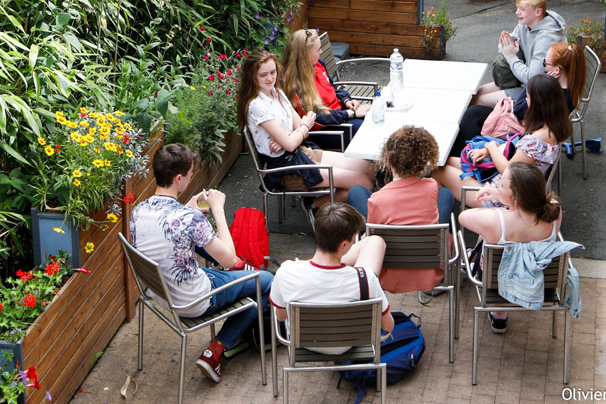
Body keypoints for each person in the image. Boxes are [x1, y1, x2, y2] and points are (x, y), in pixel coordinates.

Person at [129, 143, 274, 383]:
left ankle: (236, 319)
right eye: (189, 175)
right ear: (178, 178)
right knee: (267, 282)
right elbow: (230, 258)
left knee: (227, 267)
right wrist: (217, 210)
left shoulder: (139, 210)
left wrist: (189, 210)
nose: (190, 178)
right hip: (193, 301)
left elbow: (169, 229)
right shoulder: (190, 219)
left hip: (159, 294)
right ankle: (216, 349)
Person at [237, 50, 374, 206]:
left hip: (302, 151)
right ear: (252, 76)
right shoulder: (256, 105)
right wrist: (293, 136)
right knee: (364, 182)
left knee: (369, 168)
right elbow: (300, 130)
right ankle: (314, 206)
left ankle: (322, 203)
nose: (270, 78)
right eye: (263, 75)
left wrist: (292, 137)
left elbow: (302, 130)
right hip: (288, 169)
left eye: (273, 72)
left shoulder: (277, 92)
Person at [269, 202, 394, 352]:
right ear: (343, 245)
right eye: (354, 238)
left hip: (302, 342)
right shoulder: (365, 279)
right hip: (346, 344)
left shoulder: (286, 272)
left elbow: (281, 316)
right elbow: (388, 326)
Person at [433, 73, 572, 207]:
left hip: (501, 195)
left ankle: (442, 221)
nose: (525, 101)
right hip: (517, 187)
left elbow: (508, 171)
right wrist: (488, 150)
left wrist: (491, 146)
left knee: (437, 169)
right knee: (445, 160)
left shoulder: (536, 139)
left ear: (537, 103)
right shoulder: (555, 127)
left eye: (528, 97)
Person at [458, 162, 563, 333]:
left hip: (499, 285)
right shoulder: (555, 209)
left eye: (502, 184)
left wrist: (501, 207)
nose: (497, 184)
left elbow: (463, 216)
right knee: (492, 239)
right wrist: (504, 199)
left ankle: (499, 312)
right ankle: (498, 315)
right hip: (538, 280)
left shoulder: (496, 221)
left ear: (516, 196)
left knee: (486, 236)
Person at [357, 126, 454, 294]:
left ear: (387, 159)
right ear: (424, 161)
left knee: (356, 192)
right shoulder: (431, 186)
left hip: (389, 274)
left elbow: (372, 237)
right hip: (429, 273)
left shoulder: (377, 200)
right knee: (445, 195)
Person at [452, 42, 585, 154]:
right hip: (527, 126)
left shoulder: (550, 93)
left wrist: (533, 82)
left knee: (472, 115)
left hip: (521, 134)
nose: (544, 67)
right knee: (474, 112)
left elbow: (519, 109)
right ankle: (460, 153)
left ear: (558, 70)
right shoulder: (566, 89)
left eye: (546, 63)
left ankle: (459, 156)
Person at [472, 0, 567, 107]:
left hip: (538, 93)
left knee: (475, 102)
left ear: (538, 11)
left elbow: (532, 78)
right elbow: (503, 49)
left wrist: (511, 57)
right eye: (517, 8)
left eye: (522, 9)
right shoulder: (526, 23)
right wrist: (507, 45)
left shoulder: (547, 38)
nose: (517, 12)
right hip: (521, 82)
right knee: (471, 95)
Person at [281, 28, 370, 147]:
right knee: (367, 129)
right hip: (323, 132)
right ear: (305, 55)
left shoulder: (318, 64)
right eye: (318, 49)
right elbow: (318, 118)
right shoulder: (294, 83)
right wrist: (350, 114)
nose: (321, 51)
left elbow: (332, 88)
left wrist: (346, 100)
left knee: (374, 117)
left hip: (339, 116)